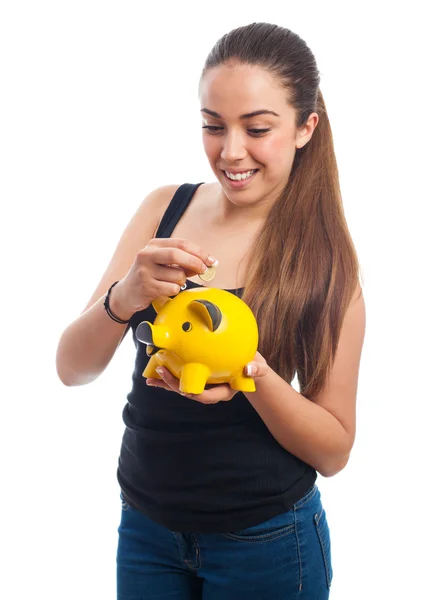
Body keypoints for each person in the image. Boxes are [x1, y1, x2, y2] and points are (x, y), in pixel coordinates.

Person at [56, 21, 366, 600]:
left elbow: (334, 449)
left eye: (257, 128)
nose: (230, 152)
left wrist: (250, 373)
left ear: (305, 128)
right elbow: (72, 369)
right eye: (212, 125)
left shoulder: (325, 263)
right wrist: (126, 296)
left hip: (269, 545)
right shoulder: (163, 210)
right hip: (147, 532)